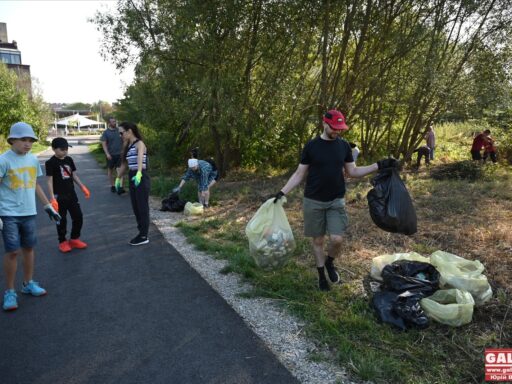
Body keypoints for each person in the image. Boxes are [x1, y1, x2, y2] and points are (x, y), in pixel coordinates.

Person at [273, 110, 399, 291]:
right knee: (317, 242)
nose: (337, 131)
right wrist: (281, 192)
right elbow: (300, 174)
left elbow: (353, 172)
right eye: (334, 128)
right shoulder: (311, 146)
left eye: (340, 128)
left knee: (337, 239)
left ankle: (330, 262)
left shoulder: (344, 146)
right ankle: (321, 276)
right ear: (324, 123)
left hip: (336, 200)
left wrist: (378, 165)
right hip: (313, 201)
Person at [0, 122, 61, 311]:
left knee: (29, 248)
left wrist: (48, 206)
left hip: (29, 212)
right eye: (23, 140)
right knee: (12, 251)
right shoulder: (3, 160)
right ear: (12, 140)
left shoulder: (33, 160)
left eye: (30, 140)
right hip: (9, 213)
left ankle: (28, 283)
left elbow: (34, 184)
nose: (27, 144)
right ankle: (10, 291)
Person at [45, 137, 90, 253]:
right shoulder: (50, 163)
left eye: (66, 149)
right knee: (61, 220)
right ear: (54, 149)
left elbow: (74, 175)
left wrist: (83, 187)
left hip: (71, 194)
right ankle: (63, 241)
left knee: (78, 216)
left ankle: (74, 239)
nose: (65, 151)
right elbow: (49, 181)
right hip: (59, 196)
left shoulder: (69, 159)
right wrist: (51, 199)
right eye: (62, 149)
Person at [116, 122, 151, 246]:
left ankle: (144, 235)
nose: (120, 135)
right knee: (135, 206)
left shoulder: (139, 144)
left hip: (140, 176)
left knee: (142, 206)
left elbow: (140, 158)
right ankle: (141, 232)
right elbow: (124, 164)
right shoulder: (128, 145)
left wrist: (139, 173)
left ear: (129, 131)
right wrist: (118, 178)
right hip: (132, 175)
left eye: (122, 132)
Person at [100, 117, 125, 194]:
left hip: (120, 154)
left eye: (115, 121)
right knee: (110, 171)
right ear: (109, 123)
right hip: (110, 155)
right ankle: (112, 186)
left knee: (120, 171)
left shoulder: (119, 131)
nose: (115, 123)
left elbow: (125, 140)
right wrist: (107, 154)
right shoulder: (106, 133)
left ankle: (120, 187)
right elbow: (104, 144)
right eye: (113, 122)